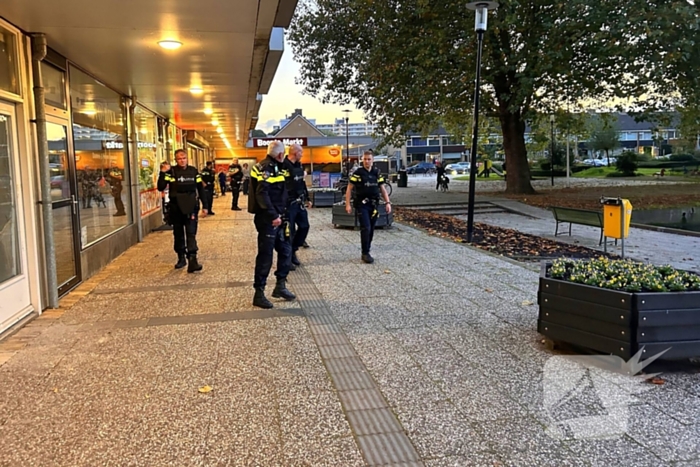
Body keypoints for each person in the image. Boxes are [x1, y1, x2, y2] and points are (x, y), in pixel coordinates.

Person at [249, 141, 295, 308]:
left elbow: (281, 191)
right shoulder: (264, 168)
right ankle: (259, 293)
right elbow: (262, 194)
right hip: (268, 219)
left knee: (286, 250)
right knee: (265, 256)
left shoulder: (277, 167)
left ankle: (280, 286)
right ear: (281, 154)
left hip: (280, 218)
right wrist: (273, 215)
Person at [157, 149, 209, 273]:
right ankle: (181, 257)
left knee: (191, 233)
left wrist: (205, 206)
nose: (182, 160)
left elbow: (200, 189)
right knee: (178, 234)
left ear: (187, 158)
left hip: (191, 206)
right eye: (179, 158)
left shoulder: (193, 171)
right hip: (176, 207)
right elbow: (161, 187)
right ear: (176, 160)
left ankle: (192, 259)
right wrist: (163, 173)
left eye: (184, 158)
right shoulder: (171, 172)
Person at [345, 150, 392, 264]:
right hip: (362, 204)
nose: (367, 161)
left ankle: (367, 249)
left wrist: (387, 202)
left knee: (371, 228)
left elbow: (382, 188)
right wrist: (347, 204)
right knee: (365, 227)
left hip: (374, 204)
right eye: (365, 159)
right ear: (362, 160)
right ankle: (365, 253)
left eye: (369, 159)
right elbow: (349, 188)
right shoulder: (358, 173)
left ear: (372, 160)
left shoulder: (376, 173)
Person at [283, 144, 311, 268]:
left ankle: (294, 249)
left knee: (304, 226)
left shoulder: (299, 165)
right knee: (290, 231)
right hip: (288, 203)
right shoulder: (283, 165)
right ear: (295, 153)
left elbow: (301, 182)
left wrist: (307, 198)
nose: (302, 155)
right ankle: (288, 258)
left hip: (299, 201)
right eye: (301, 153)